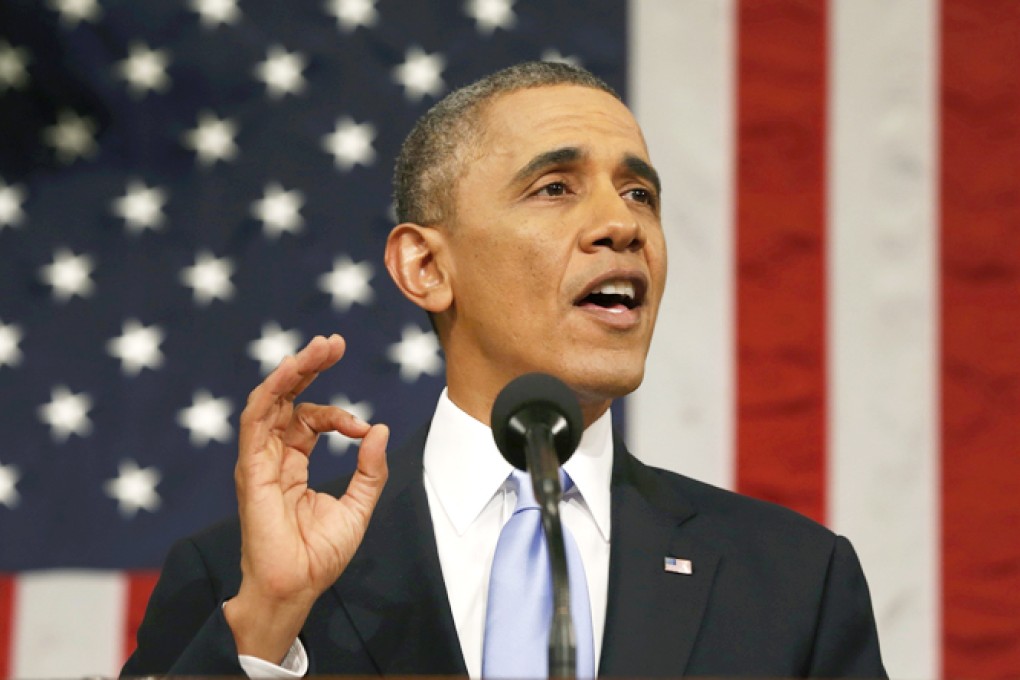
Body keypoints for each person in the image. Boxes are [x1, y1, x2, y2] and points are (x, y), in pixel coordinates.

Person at [122, 62, 886, 678]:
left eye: (639, 194)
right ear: (426, 266)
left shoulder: (792, 580)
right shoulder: (238, 577)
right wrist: (265, 624)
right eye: (555, 188)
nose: (622, 224)